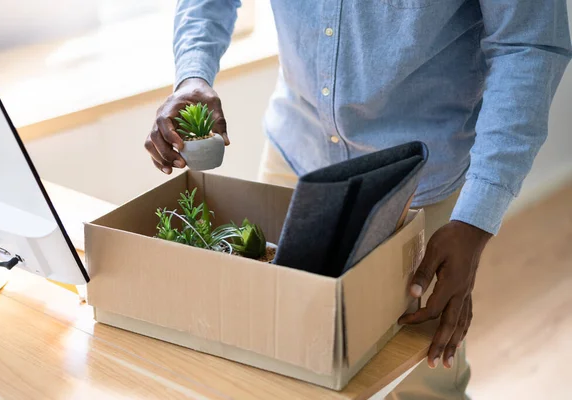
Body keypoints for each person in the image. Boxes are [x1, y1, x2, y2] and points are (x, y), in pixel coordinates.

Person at [144, 1, 571, 398]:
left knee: (423, 382)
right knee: (273, 359)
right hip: (296, 155)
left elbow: (528, 43)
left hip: (418, 188)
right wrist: (193, 72)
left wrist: (477, 219)